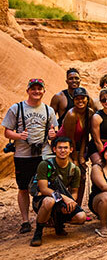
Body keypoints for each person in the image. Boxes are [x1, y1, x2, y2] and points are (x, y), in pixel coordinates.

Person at [2, 78, 57, 234]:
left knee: (45, 186)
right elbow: (7, 132)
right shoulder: (17, 108)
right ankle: (25, 221)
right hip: (23, 155)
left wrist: (53, 134)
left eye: (39, 89)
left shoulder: (48, 110)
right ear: (27, 90)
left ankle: (45, 217)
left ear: (44, 91)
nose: (36, 91)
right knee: (23, 187)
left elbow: (54, 131)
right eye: (33, 88)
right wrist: (19, 136)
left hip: (44, 154)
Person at [29, 137, 85, 246]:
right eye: (59, 148)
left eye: (65, 148)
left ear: (71, 150)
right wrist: (64, 198)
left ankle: (59, 222)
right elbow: (44, 189)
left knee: (81, 217)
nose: (62, 150)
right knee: (49, 201)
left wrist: (70, 204)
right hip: (43, 199)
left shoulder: (74, 170)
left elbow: (74, 191)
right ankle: (38, 232)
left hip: (61, 201)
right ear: (54, 149)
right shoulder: (45, 165)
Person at [57, 87, 94, 205]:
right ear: (73, 100)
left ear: (87, 99)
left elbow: (85, 136)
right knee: (68, 174)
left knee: (81, 175)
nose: (80, 101)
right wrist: (75, 159)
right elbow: (70, 139)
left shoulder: (90, 113)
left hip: (77, 146)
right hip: (64, 145)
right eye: (77, 99)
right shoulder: (71, 114)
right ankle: (63, 207)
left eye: (82, 98)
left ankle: (76, 206)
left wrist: (82, 156)